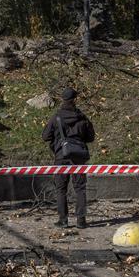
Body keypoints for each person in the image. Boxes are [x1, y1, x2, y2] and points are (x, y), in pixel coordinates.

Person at [41, 87, 95, 229]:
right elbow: (91, 137)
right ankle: (81, 221)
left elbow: (45, 136)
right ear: (75, 100)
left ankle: (63, 220)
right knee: (80, 188)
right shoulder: (82, 118)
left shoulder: (56, 117)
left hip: (61, 156)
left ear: (63, 99)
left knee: (61, 189)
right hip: (79, 157)